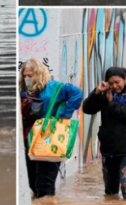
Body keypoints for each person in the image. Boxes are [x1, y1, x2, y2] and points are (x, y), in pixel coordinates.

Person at [19, 58, 83, 199]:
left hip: (50, 139)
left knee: (45, 185)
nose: (27, 78)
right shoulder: (24, 90)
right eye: (25, 76)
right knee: (33, 183)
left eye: (30, 75)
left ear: (39, 73)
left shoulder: (54, 87)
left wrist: (64, 114)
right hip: (30, 142)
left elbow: (77, 93)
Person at [82, 67, 126, 199]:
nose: (114, 86)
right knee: (110, 192)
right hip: (109, 148)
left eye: (117, 82)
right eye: (111, 83)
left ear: (125, 79)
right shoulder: (105, 93)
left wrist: (111, 102)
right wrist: (97, 92)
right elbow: (87, 109)